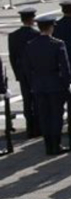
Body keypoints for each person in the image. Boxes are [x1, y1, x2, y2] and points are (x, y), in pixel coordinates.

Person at [25, 16, 71, 155]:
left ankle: (48, 145)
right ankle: (56, 144)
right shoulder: (58, 44)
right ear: (51, 27)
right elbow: (65, 67)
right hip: (55, 84)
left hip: (39, 84)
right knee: (56, 116)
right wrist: (67, 83)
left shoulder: (30, 44)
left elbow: (27, 68)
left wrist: (32, 83)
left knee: (44, 116)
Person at [9, 8, 40, 138]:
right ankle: (38, 127)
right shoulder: (36, 34)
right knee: (38, 100)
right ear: (32, 19)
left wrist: (17, 74)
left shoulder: (13, 35)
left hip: (22, 72)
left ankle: (29, 127)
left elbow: (12, 57)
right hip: (36, 72)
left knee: (27, 101)